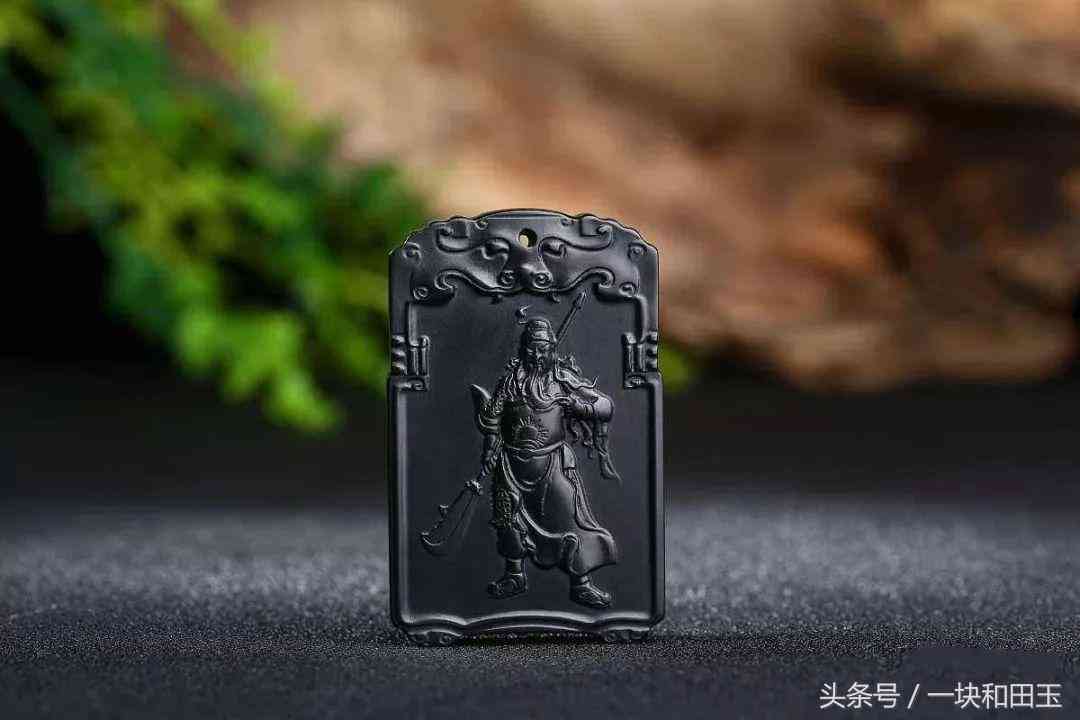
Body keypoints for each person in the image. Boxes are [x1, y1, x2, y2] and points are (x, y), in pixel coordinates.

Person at [470, 316, 620, 608]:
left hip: (552, 464)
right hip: (511, 465)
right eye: (531, 349)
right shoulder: (510, 382)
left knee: (570, 519)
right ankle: (514, 575)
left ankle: (581, 583)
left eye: (543, 350)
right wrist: (489, 444)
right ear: (523, 350)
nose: (537, 356)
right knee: (508, 520)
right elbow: (493, 421)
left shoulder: (563, 380)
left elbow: (605, 407)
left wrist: (576, 405)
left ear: (552, 350)